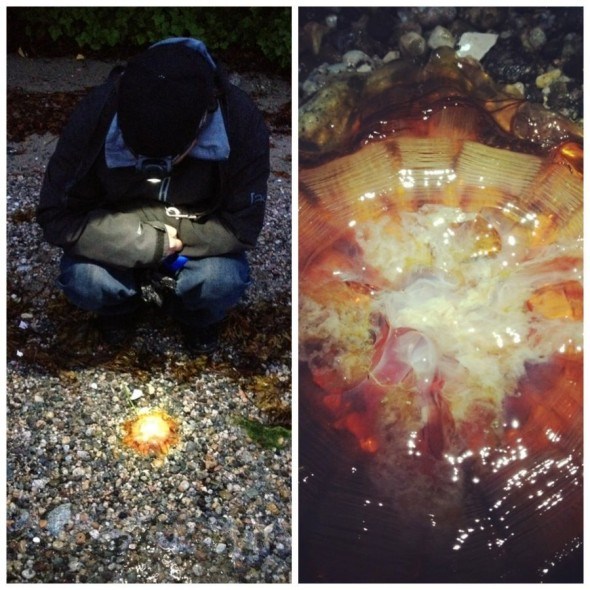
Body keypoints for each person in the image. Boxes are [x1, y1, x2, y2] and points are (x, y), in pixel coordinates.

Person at [37, 37, 270, 354]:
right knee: (85, 279)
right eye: (138, 155)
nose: (153, 169)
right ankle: (120, 307)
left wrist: (163, 242)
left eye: (166, 160)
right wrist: (150, 240)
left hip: (185, 256)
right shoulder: (97, 111)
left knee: (222, 280)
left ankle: (193, 314)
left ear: (203, 122)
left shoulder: (240, 120)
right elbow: (55, 216)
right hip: (122, 247)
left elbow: (243, 227)